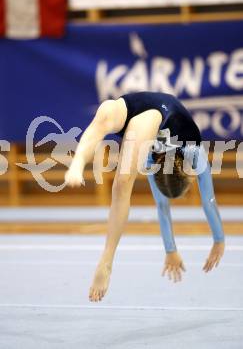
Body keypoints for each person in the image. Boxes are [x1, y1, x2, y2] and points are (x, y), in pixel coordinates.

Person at [65, 91, 225, 302]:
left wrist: (215, 240)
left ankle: (78, 161)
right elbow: (169, 205)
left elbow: (205, 201)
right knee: (122, 185)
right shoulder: (173, 155)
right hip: (154, 118)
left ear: (188, 175)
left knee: (105, 114)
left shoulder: (174, 157)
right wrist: (217, 240)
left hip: (138, 107)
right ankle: (107, 259)